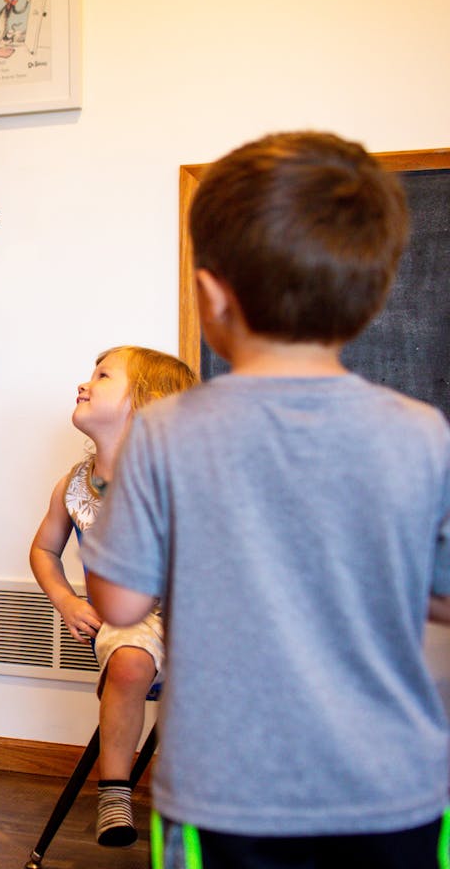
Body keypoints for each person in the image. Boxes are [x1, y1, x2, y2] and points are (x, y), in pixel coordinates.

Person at [82, 131, 450, 868]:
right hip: (393, 787)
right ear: (374, 298)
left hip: (227, 791)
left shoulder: (165, 434)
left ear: (212, 295)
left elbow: (119, 606)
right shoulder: (423, 433)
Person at [27, 346, 196, 846]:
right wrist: (66, 601)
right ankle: (115, 792)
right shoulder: (73, 486)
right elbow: (43, 550)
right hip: (133, 616)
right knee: (127, 660)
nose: (84, 383)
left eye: (102, 376)